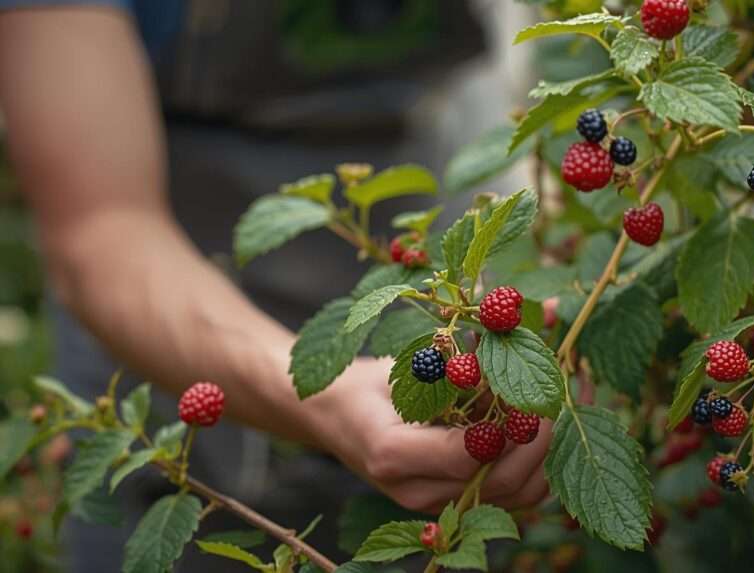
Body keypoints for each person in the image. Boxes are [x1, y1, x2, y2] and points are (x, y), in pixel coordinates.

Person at [0, 1, 549, 570]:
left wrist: (549, 342)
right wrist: (327, 399)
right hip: (188, 384)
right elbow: (102, 229)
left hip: (442, 267)